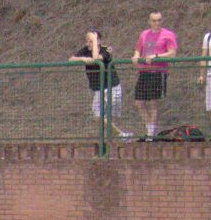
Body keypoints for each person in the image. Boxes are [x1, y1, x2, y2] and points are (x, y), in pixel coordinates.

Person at [69, 30, 127, 138]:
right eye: (87, 41)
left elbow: (96, 58)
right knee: (98, 116)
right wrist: (82, 58)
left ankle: (116, 137)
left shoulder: (106, 49)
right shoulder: (86, 50)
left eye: (91, 41)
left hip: (111, 87)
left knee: (109, 115)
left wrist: (94, 41)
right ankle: (120, 135)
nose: (88, 44)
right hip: (99, 89)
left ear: (98, 41)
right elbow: (71, 59)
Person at [130, 11, 177, 139]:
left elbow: (172, 53)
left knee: (153, 103)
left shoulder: (168, 35)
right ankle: (150, 127)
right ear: (149, 22)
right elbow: (138, 49)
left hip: (158, 72)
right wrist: (136, 56)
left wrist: (156, 56)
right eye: (154, 20)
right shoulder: (144, 34)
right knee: (139, 102)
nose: (157, 23)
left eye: (159, 20)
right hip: (144, 71)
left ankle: (151, 132)